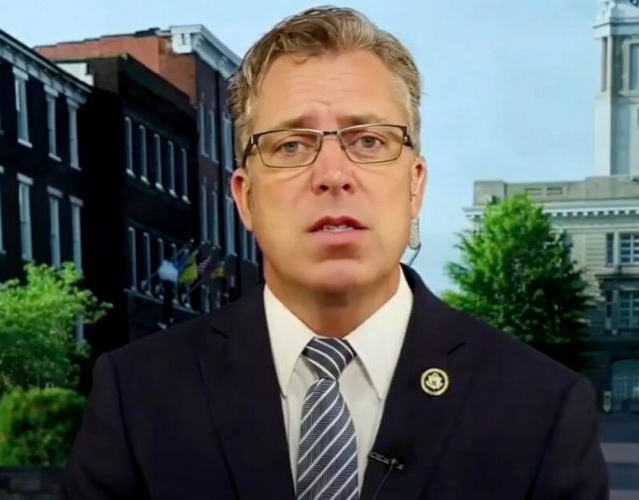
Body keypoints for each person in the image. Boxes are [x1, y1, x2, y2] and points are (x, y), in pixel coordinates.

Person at [61, 5, 609, 499]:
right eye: (291, 145)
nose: (332, 174)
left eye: (369, 141)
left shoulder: (541, 407)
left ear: (415, 185)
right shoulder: (138, 397)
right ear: (246, 198)